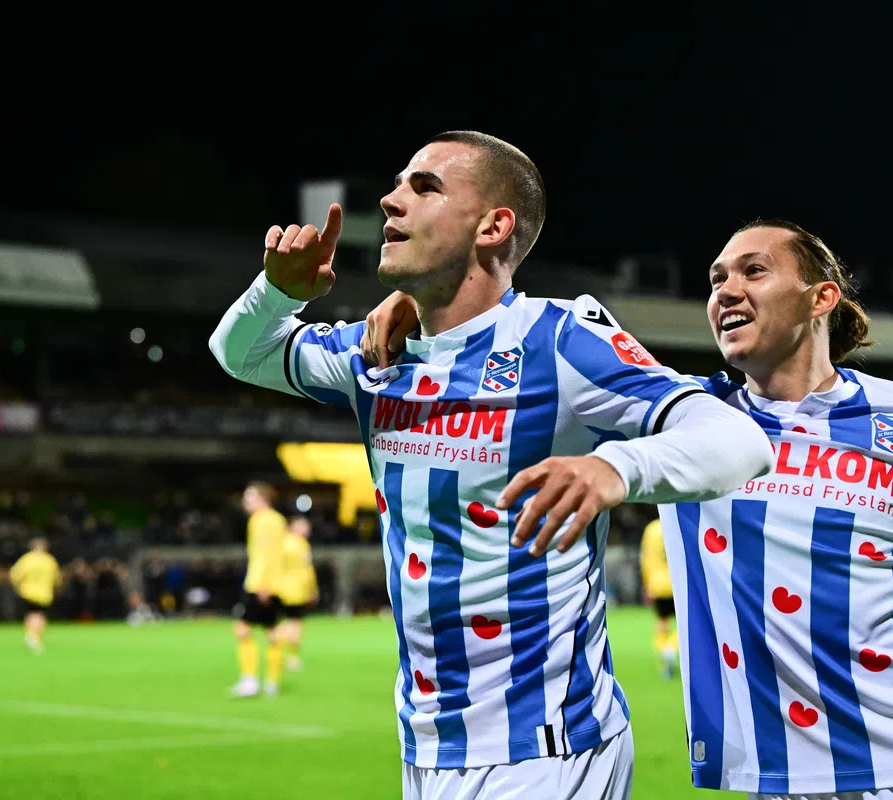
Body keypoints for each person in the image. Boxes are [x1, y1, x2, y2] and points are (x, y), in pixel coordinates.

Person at [365, 218, 893, 800]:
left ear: (821, 298)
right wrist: (444, 320)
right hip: (774, 780)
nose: (725, 291)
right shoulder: (687, 422)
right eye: (715, 279)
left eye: (752, 271)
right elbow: (550, 351)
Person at [210, 130, 774, 800]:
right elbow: (239, 353)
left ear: (493, 226)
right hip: (425, 743)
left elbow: (739, 440)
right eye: (398, 183)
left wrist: (613, 468)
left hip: (546, 747)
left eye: (425, 187)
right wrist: (277, 294)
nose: (391, 200)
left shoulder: (558, 339)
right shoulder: (377, 354)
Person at [231, 481, 289, 698]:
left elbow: (265, 554)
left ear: (263, 499)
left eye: (249, 497)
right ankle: (272, 682)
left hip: (259, 584)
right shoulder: (277, 520)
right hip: (276, 583)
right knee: (272, 630)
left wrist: (264, 585)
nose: (245, 501)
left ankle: (250, 681)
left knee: (242, 630)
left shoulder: (260, 520)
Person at [276, 514, 319, 672]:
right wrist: (312, 589)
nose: (306, 529)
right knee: (294, 622)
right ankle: (286, 651)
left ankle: (288, 655)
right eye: (302, 525)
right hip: (292, 589)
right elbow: (307, 570)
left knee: (294, 621)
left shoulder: (294, 543)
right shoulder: (292, 544)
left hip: (294, 589)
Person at [639, 517, 677, 679]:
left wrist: (647, 584)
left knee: (662, 620)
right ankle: (672, 647)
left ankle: (663, 657)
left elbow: (645, 560)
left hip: (658, 583)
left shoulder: (651, 529)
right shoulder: (676, 523)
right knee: (689, 620)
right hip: (677, 582)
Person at [8, 537, 60, 654]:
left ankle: (31, 635)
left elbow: (14, 575)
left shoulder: (27, 559)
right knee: (40, 615)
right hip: (44, 593)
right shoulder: (49, 560)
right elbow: (57, 578)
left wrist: (18, 586)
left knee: (31, 614)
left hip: (28, 591)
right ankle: (34, 637)